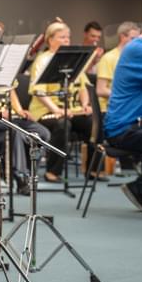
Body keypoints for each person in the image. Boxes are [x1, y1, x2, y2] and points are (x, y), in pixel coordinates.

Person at [0, 18, 50, 195]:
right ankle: (20, 177)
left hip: (5, 115)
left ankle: (30, 174)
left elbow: (11, 90)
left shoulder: (3, 60)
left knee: (42, 133)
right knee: (14, 130)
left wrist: (19, 110)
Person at [104, 7, 142, 212]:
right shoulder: (141, 50)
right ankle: (141, 189)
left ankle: (141, 190)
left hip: (140, 123)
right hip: (125, 128)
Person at [28, 20, 98, 183]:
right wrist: (55, 110)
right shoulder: (42, 60)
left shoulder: (74, 60)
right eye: (62, 37)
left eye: (68, 37)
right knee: (63, 124)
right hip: (45, 112)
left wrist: (85, 105)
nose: (67, 41)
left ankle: (92, 169)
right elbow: (38, 91)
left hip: (73, 110)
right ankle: (53, 171)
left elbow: (83, 87)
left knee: (94, 122)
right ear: (50, 39)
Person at [96, 21, 140, 113]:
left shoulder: (136, 59)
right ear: (122, 37)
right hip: (111, 108)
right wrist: (125, 96)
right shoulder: (108, 58)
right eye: (133, 39)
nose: (136, 43)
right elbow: (100, 90)